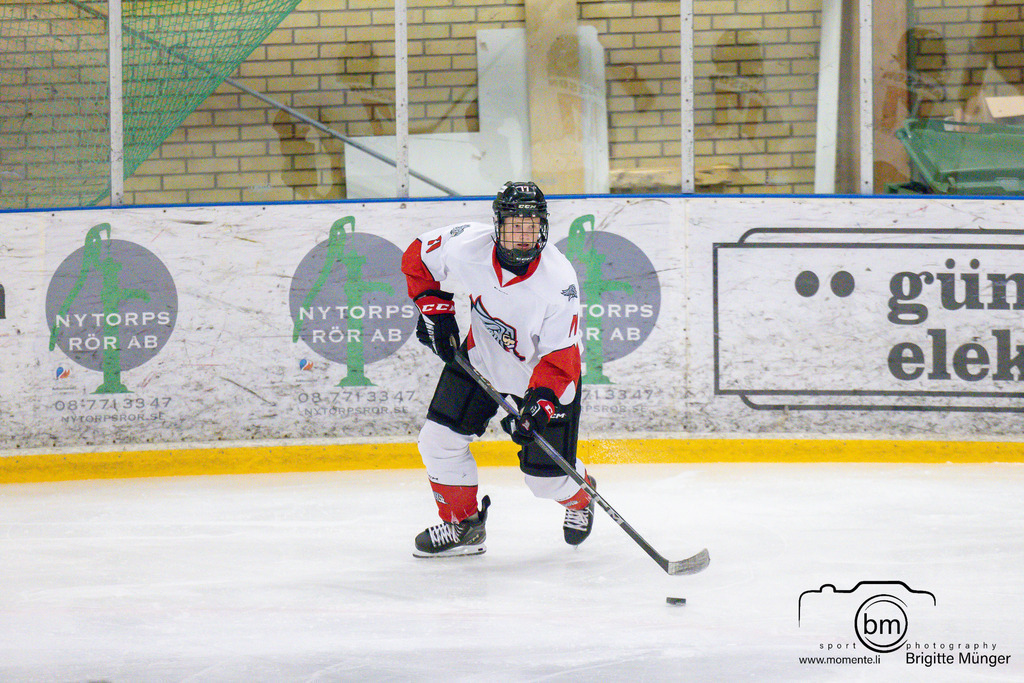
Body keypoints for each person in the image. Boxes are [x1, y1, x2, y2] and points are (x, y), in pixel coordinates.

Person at [400, 180, 595, 558]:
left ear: (544, 227)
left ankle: (580, 495)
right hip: (481, 358)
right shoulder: (466, 245)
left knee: (546, 482)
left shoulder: (559, 283)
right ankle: (464, 526)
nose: (523, 235)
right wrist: (434, 310)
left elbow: (562, 359)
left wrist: (540, 407)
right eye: (514, 224)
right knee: (438, 442)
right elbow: (417, 256)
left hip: (541, 378)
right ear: (497, 224)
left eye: (532, 224)